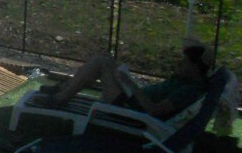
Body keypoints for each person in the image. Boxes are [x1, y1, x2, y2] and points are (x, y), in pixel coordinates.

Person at [38, 39, 213, 119]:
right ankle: (64, 89)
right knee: (105, 57)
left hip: (129, 110)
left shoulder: (189, 91)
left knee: (100, 62)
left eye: (184, 62)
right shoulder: (185, 81)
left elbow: (154, 111)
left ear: (195, 66)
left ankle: (59, 98)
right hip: (132, 100)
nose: (179, 64)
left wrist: (129, 83)